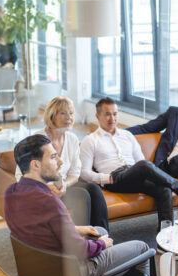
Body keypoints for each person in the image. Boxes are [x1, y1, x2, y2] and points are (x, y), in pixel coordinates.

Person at [4, 134, 154, 276]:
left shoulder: (12, 192)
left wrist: (77, 228)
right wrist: (102, 244)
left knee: (99, 228)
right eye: (53, 157)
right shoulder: (49, 202)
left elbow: (34, 229)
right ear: (35, 164)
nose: (60, 161)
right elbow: (81, 250)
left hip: (39, 272)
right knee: (142, 248)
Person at [80, 97, 178, 228]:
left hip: (135, 173)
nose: (112, 118)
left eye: (115, 114)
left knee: (164, 190)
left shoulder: (127, 135)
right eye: (107, 114)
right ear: (97, 116)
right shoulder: (90, 140)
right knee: (143, 166)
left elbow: (141, 161)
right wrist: (107, 178)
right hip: (114, 179)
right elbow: (84, 173)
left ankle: (165, 235)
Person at [15, 96, 109, 230]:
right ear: (52, 116)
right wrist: (47, 186)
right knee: (81, 195)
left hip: (62, 187)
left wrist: (65, 184)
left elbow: (74, 173)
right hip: (41, 191)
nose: (69, 117)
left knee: (93, 188)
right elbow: (20, 174)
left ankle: (102, 235)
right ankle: (82, 240)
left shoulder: (72, 139)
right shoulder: (36, 140)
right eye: (63, 113)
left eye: (71, 113)